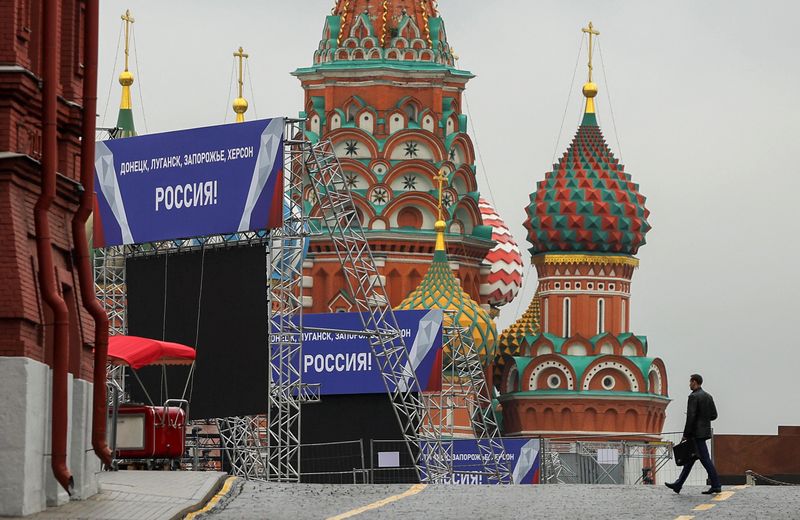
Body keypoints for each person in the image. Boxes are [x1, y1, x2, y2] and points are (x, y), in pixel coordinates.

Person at [665, 374, 721, 494]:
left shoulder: (693, 397)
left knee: (705, 459)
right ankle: (678, 484)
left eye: (690, 382)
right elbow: (714, 415)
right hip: (704, 432)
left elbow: (691, 417)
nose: (689, 384)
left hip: (696, 434)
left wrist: (686, 434)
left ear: (694, 382)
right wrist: (704, 419)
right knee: (689, 459)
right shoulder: (708, 396)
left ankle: (716, 485)